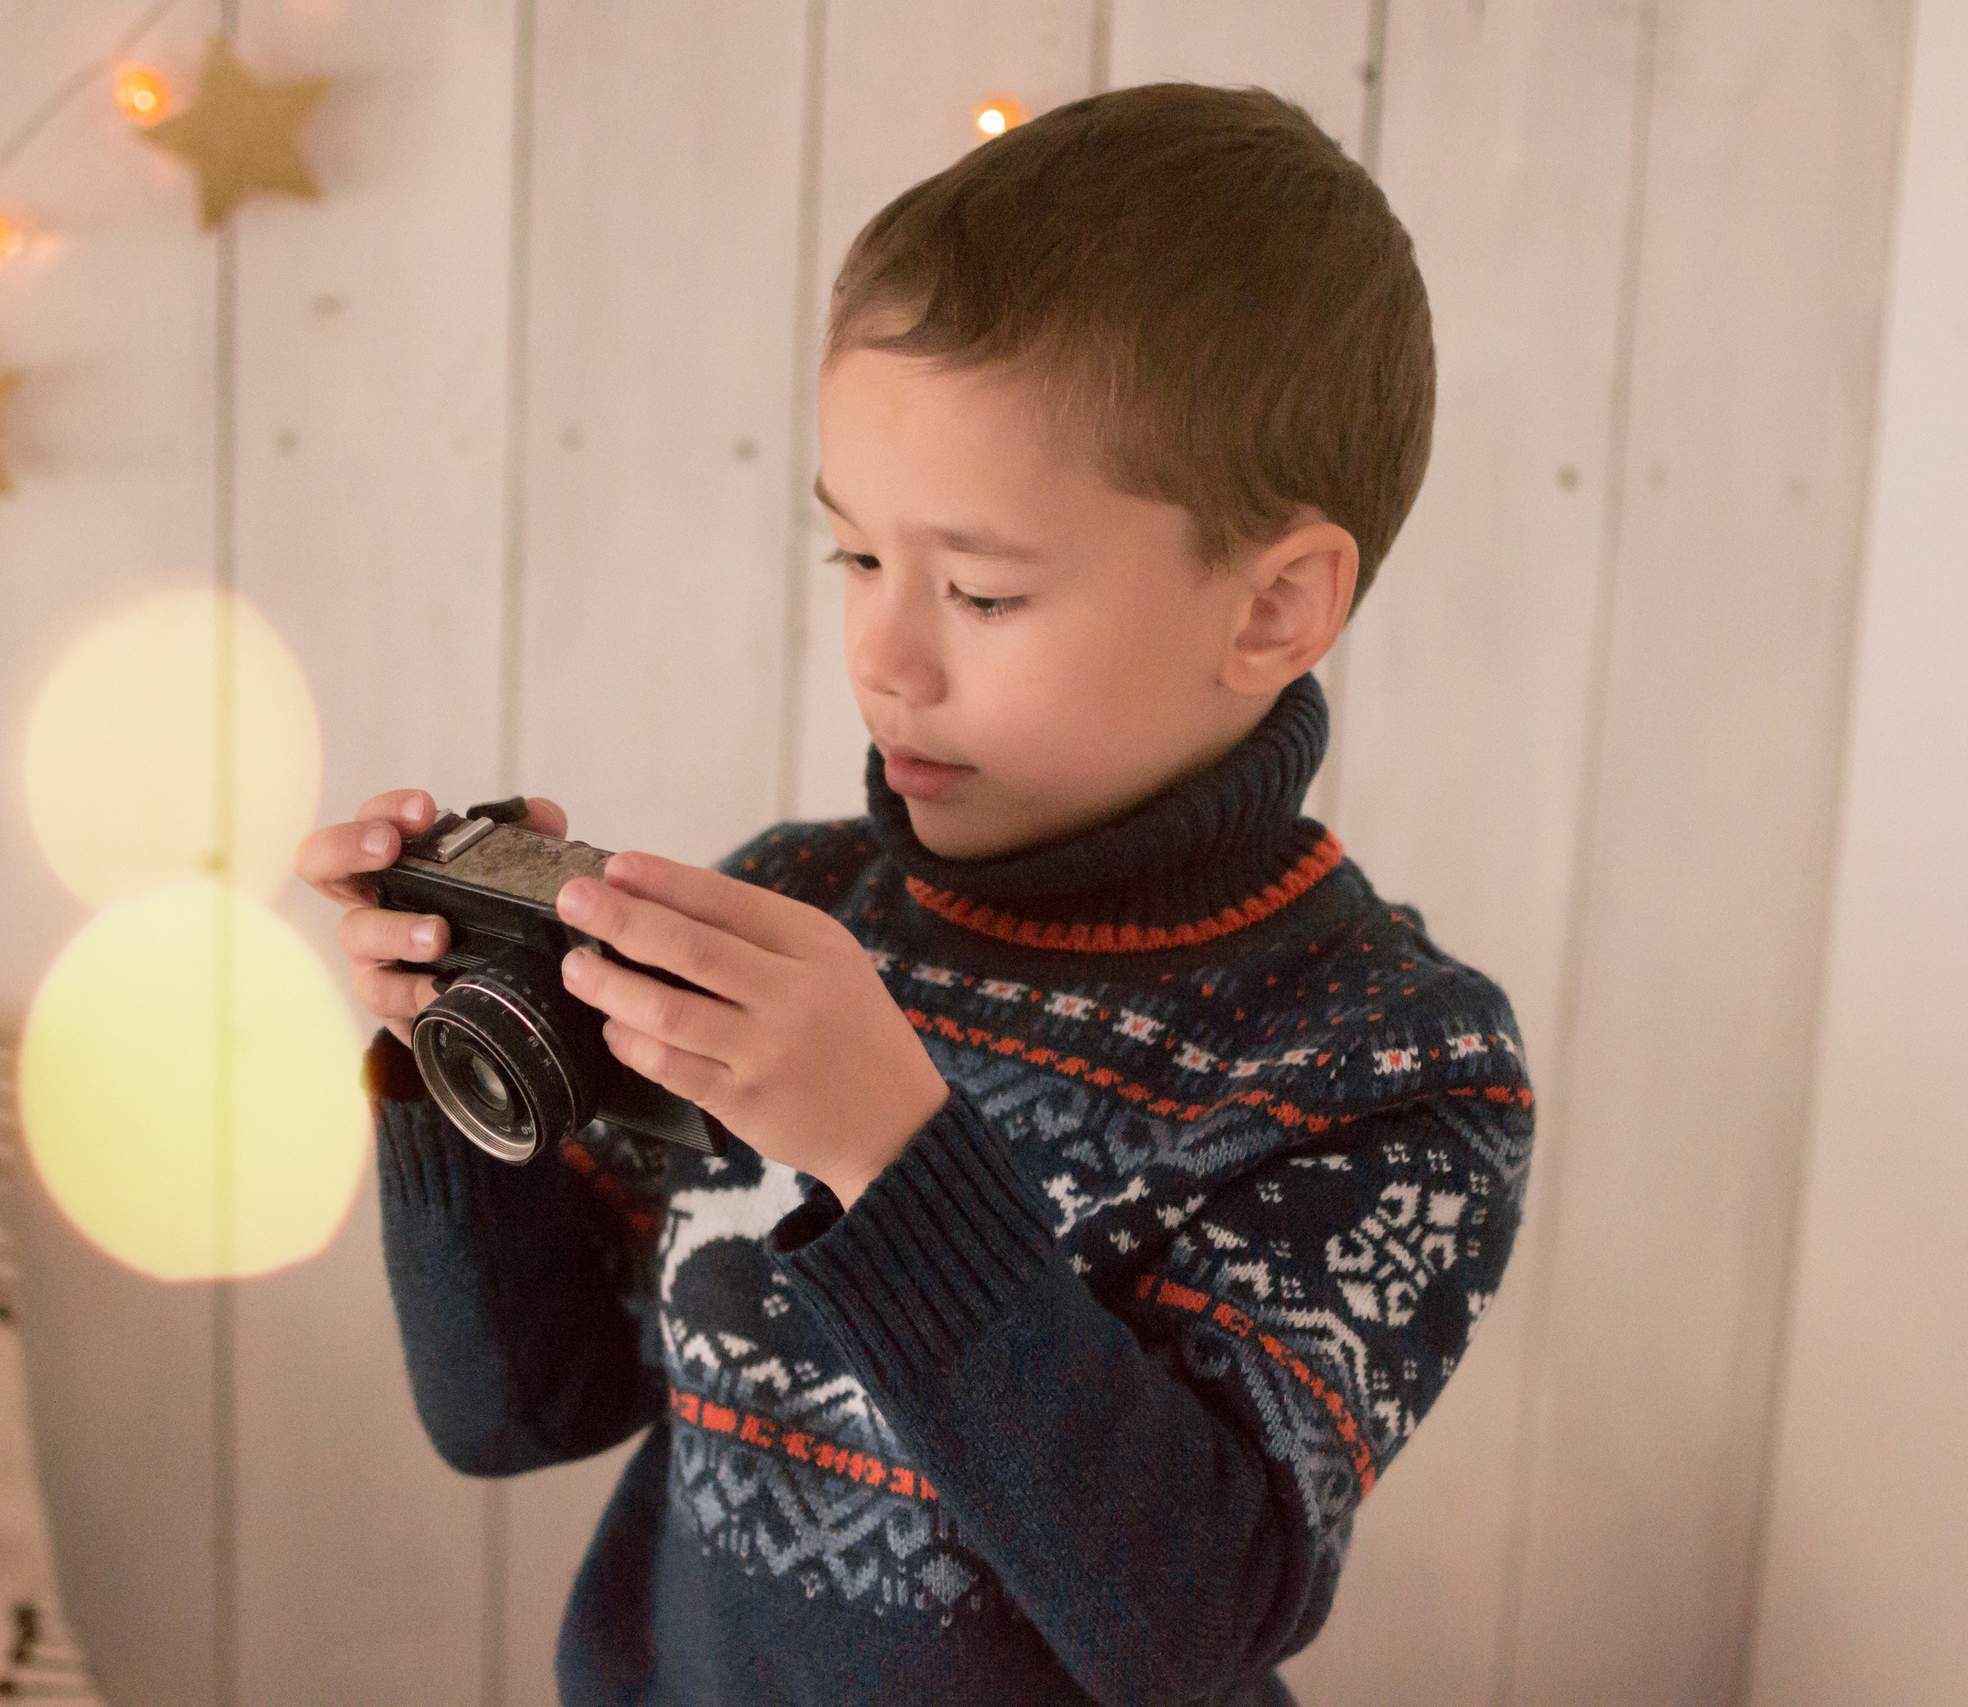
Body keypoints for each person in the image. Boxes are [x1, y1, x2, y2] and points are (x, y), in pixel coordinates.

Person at [297, 82, 1534, 1707]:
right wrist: (447, 1067)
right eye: (857, 560)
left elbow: (1183, 1625)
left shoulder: (1388, 1066)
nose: (884, 655)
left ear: (1275, 608)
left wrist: (888, 1156)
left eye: (980, 588)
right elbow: (517, 1410)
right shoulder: (800, 909)